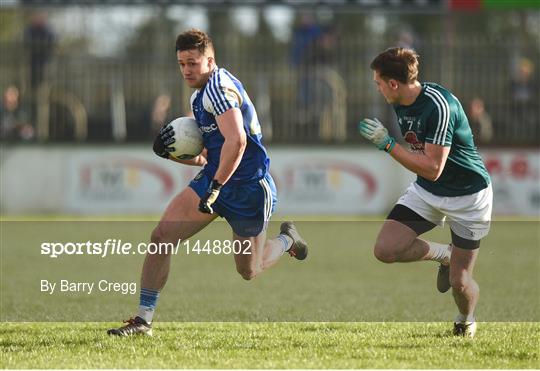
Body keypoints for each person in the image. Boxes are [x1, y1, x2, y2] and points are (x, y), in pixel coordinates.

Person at [108, 29, 308, 337]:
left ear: (209, 61)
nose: (187, 70)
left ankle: (287, 241)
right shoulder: (199, 95)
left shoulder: (218, 89)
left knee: (248, 270)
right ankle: (143, 320)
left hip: (249, 190)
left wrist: (216, 185)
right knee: (162, 236)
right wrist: (173, 154)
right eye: (182, 64)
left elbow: (238, 142)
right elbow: (205, 155)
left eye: (193, 63)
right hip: (217, 178)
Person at [358, 47, 492, 338]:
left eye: (378, 83)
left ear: (394, 84)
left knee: (460, 281)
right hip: (428, 191)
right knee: (385, 249)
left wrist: (388, 144)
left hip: (468, 197)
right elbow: (429, 174)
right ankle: (445, 254)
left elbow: (433, 167)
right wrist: (390, 144)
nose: (378, 88)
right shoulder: (400, 100)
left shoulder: (439, 105)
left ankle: (465, 319)